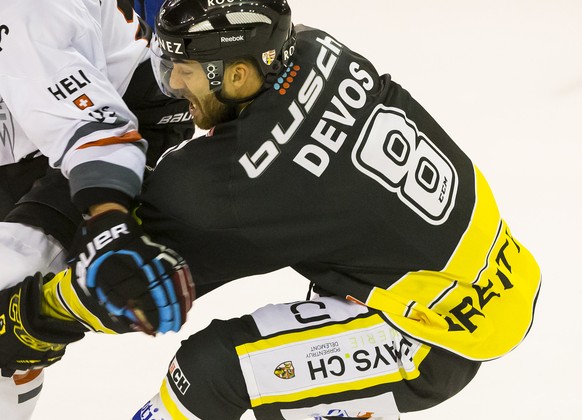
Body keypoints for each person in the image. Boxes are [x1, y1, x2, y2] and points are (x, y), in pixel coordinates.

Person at [128, 0, 542, 419]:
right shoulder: (315, 45)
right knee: (281, 367)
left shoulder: (232, 177)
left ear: (237, 74)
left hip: (429, 338)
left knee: (210, 373)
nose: (175, 82)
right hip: (491, 278)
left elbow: (132, 263)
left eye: (186, 68)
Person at [0, 0, 194, 418]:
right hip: (29, 129)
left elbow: (93, 131)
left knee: (7, 290)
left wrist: (107, 221)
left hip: (123, 120)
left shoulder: (24, 12)